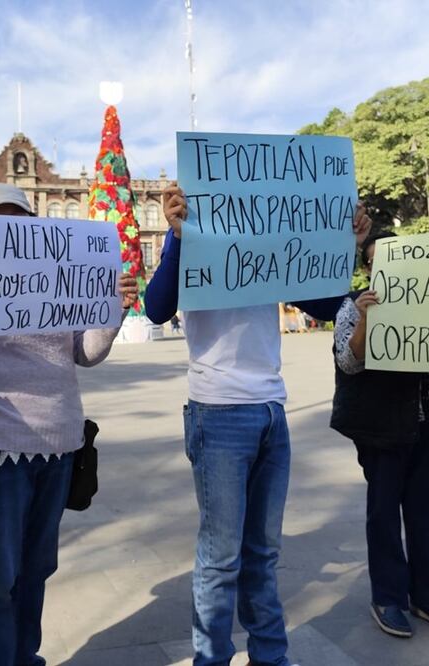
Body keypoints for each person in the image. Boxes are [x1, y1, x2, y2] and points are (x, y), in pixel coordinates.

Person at [144, 185, 371, 666]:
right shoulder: (187, 235)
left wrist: (345, 247)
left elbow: (325, 303)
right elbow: (157, 308)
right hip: (216, 409)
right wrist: (178, 237)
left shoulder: (269, 241)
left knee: (263, 552)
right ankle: (213, 659)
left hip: (271, 406)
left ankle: (269, 655)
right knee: (221, 556)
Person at [0, 183, 138, 666]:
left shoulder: (60, 276)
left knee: (37, 568)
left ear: (34, 225)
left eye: (18, 219)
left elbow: (85, 352)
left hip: (58, 443)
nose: (9, 228)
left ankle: (25, 658)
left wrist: (113, 309)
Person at [331, 232, 429, 639]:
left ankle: (428, 598)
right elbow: (349, 362)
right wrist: (366, 320)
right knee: (384, 514)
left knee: (428, 515)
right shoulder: (353, 306)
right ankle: (388, 598)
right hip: (383, 427)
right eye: (377, 261)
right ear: (368, 268)